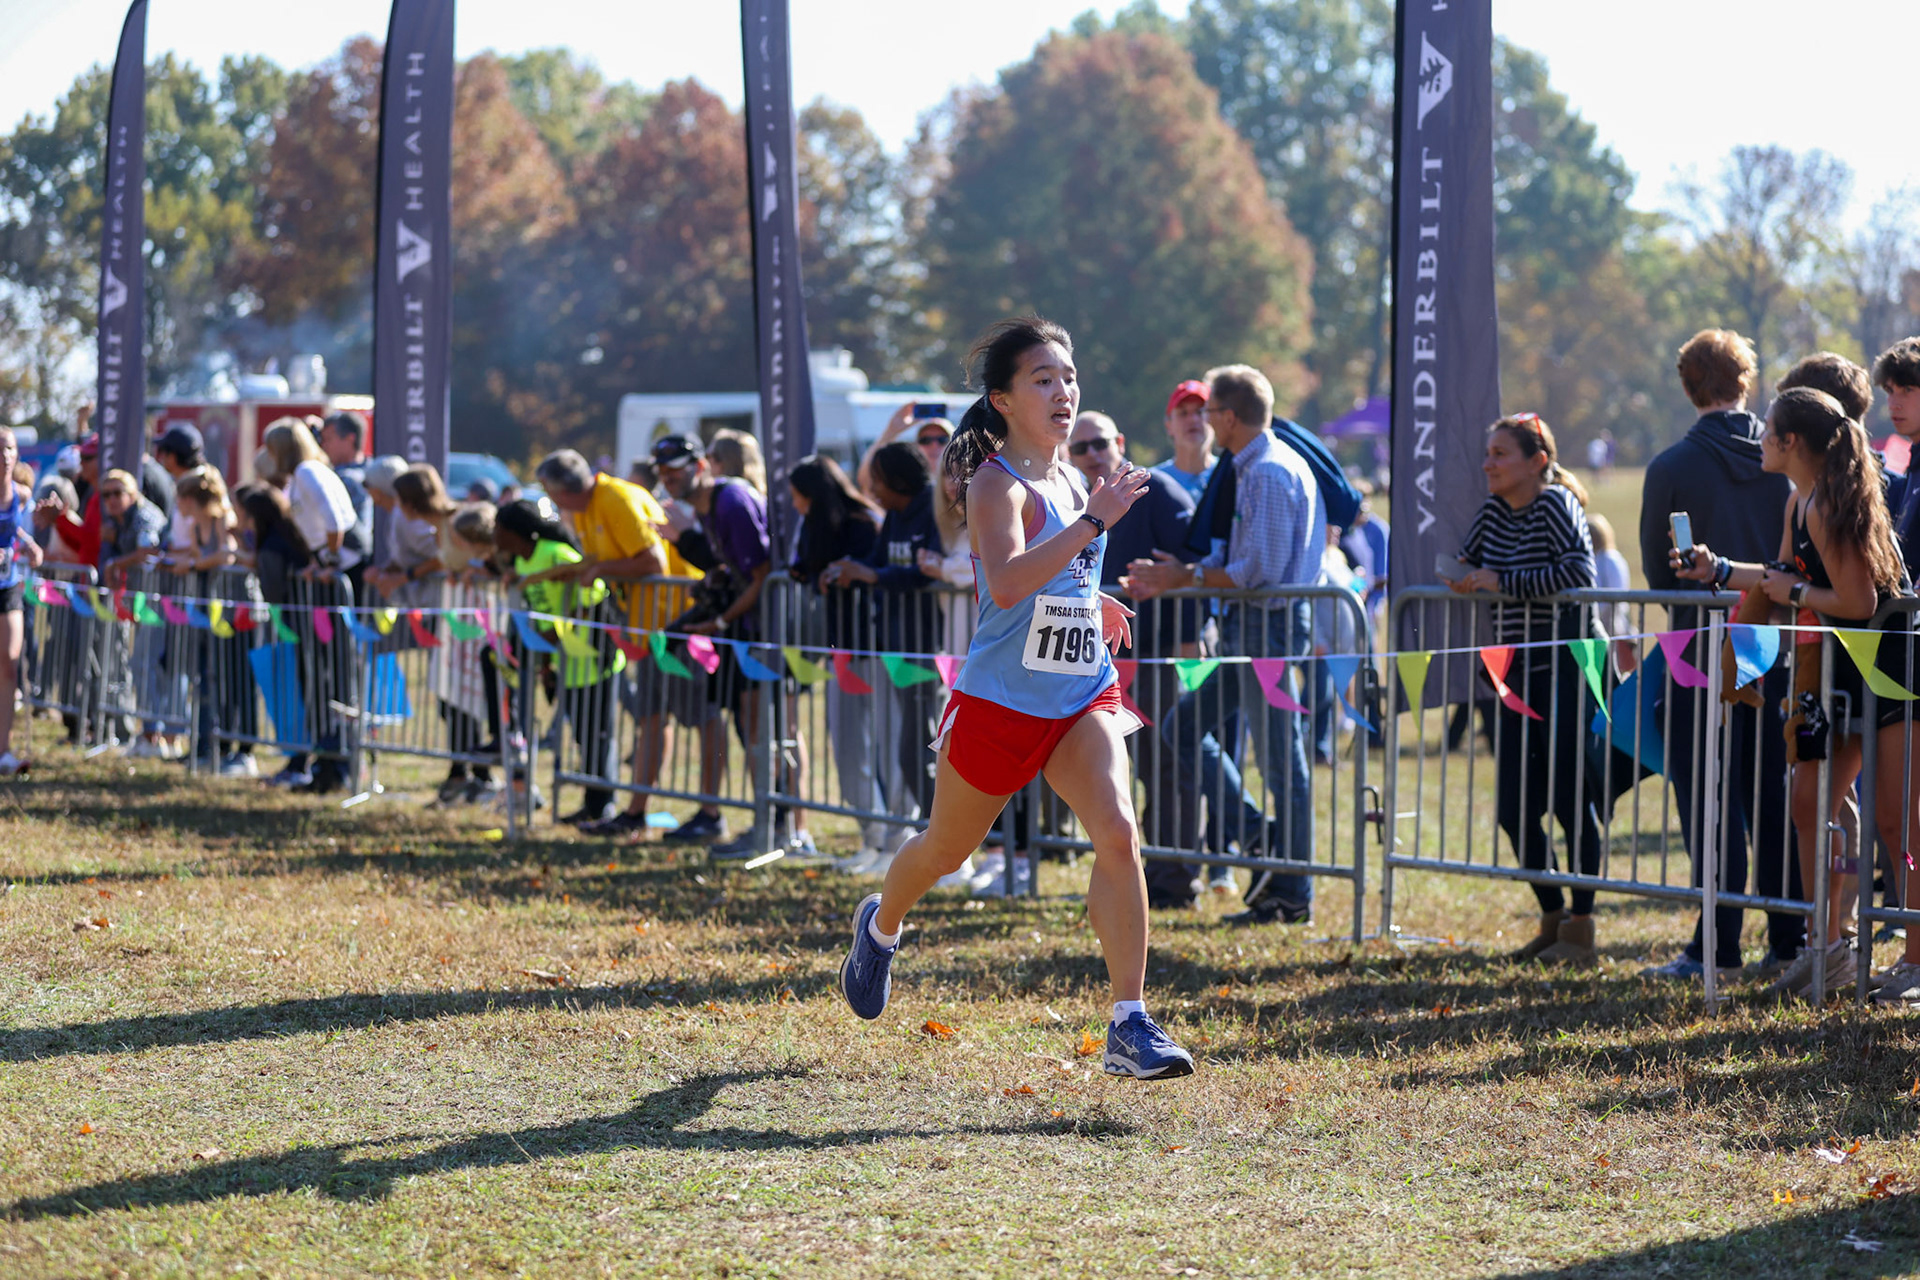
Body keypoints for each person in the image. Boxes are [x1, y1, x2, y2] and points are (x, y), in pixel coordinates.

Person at [837, 316, 1195, 1080]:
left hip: (1079, 693)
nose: (1063, 391)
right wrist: (1097, 522)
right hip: (1001, 701)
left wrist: (1092, 599)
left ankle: (1130, 1023)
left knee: (1120, 832)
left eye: (1068, 377)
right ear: (1002, 399)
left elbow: (1058, 573)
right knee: (945, 850)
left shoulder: (1074, 478)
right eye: (1043, 379)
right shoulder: (996, 482)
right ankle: (881, 926)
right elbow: (1003, 581)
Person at [1676, 388, 1903, 999]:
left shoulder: (1829, 503)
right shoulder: (1796, 500)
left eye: (1768, 428)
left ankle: (1911, 959)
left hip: (1880, 674)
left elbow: (1857, 603)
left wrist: (1793, 597)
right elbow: (1785, 576)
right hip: (1819, 676)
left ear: (1791, 442)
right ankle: (1823, 948)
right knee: (1806, 802)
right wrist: (1720, 569)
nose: (1760, 439)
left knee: (1896, 821)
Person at [1127, 365, 1325, 926]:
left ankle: (1291, 890)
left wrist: (1184, 577)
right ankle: (1263, 839)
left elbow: (1255, 573)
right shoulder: (1255, 466)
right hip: (1252, 630)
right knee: (1183, 730)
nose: (1206, 421)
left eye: (1210, 411)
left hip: (1268, 630)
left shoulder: (1265, 471)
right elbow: (1240, 562)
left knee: (1282, 763)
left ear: (1230, 418)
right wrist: (1183, 571)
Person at [1638, 330, 1797, 983]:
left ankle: (1717, 948)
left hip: (1698, 651)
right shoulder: (1785, 458)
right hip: (1773, 644)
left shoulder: (1672, 467)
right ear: (1747, 380)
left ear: (1687, 385)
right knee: (1771, 798)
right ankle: (1790, 941)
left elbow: (1656, 574)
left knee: (1708, 796)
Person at [1452, 413, 1605, 966]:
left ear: (1537, 461)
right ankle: (1553, 915)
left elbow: (1580, 574)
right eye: (1487, 453)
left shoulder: (1555, 505)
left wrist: (1503, 582)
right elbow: (1473, 560)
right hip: (1511, 674)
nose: (1488, 464)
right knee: (1514, 809)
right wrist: (1460, 574)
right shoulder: (1494, 510)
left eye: (1500, 454)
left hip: (1565, 667)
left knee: (1570, 798)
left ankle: (1582, 929)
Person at [531, 448, 709, 837]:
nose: (550, 500)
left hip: (678, 624)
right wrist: (570, 570)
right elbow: (605, 560)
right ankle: (636, 811)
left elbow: (653, 564)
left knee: (700, 720)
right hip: (648, 631)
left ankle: (710, 815)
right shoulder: (589, 507)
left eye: (550, 491)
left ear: (566, 489)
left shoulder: (616, 499)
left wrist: (598, 569)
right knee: (650, 719)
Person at [1068, 409, 1206, 907]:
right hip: (1098, 664)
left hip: (1161, 658)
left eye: (1099, 443)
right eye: (1079, 448)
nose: (1090, 455)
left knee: (1169, 766)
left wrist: (1190, 648)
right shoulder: (1072, 500)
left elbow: (1193, 570)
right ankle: (1142, 872)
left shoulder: (1157, 490)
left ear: (1120, 441)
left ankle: (1176, 879)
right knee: (1124, 771)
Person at [653, 433, 777, 859]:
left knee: (761, 728)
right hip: (743, 628)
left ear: (702, 466)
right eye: (663, 473)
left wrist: (721, 619)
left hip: (762, 631)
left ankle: (773, 826)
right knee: (747, 726)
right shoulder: (707, 508)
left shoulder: (731, 502)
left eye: (678, 470)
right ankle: (763, 824)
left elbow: (762, 575)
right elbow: (733, 568)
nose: (669, 479)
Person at [827, 441, 944, 842]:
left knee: (920, 750)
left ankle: (944, 839)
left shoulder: (933, 509)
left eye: (877, 481)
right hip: (895, 647)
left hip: (929, 648)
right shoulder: (894, 515)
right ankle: (934, 838)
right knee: (906, 751)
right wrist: (854, 570)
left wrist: (873, 577)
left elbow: (929, 571)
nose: (873, 491)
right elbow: (877, 563)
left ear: (898, 479)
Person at [496, 499, 626, 823]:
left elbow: (594, 595)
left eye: (499, 529)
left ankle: (603, 804)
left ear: (516, 533)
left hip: (594, 657)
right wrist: (546, 661)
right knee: (582, 734)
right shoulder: (524, 563)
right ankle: (591, 801)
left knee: (597, 734)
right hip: (567, 664)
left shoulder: (556, 555)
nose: (494, 536)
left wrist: (562, 629)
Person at [789, 454, 890, 865]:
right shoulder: (818, 525)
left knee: (877, 748)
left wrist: (845, 573)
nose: (795, 504)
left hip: (874, 649)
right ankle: (871, 838)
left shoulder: (864, 522)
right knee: (848, 748)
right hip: (842, 650)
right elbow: (805, 570)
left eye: (798, 496)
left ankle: (889, 840)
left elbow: (871, 574)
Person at [259, 417, 362, 794]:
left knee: (333, 673)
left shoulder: (307, 472)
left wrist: (328, 564)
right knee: (323, 672)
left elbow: (336, 523)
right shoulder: (309, 471)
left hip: (336, 584)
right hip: (327, 577)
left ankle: (338, 764)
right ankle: (329, 761)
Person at [1867, 336, 1920, 1005]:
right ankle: (1912, 952)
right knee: (1895, 820)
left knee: (1907, 818)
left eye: (1906, 389)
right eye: (1890, 391)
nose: (1894, 403)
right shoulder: (1907, 470)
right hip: (1898, 658)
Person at [0, 427, 46, 777]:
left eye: (10, 448)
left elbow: (13, 528)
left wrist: (30, 544)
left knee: (10, 664)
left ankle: (3, 750)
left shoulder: (21, 493)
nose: (4, 455)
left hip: (8, 585)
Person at [1153, 380, 1214, 502]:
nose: (1192, 419)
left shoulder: (1232, 475)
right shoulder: (1154, 483)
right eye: (1183, 413)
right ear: (1169, 425)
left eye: (1200, 411)